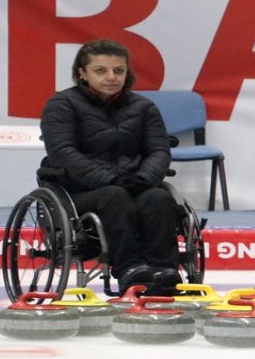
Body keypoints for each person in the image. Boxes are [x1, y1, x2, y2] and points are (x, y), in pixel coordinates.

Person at [38, 39, 182, 295]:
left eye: (118, 70)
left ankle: (164, 270)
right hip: (81, 192)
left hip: (135, 184)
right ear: (82, 73)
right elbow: (63, 152)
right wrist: (109, 179)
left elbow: (159, 150)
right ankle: (129, 268)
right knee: (114, 196)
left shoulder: (144, 107)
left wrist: (145, 178)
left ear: (127, 73)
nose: (111, 77)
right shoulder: (62, 105)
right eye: (100, 70)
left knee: (158, 197)